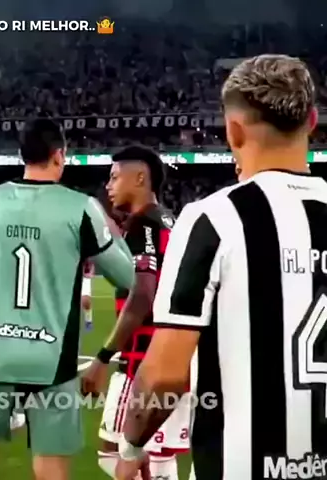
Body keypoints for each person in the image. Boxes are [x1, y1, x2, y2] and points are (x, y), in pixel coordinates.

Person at [115, 54, 327, 480]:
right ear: (312, 121)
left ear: (233, 131)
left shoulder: (212, 218)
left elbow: (164, 376)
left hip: (236, 466)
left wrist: (131, 445)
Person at [0, 118, 135, 480]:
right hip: (52, 359)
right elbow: (128, 277)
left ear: (21, 154)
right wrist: (111, 231)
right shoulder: (81, 207)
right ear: (59, 155)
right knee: (50, 468)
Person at [81, 145, 188, 480]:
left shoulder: (143, 225)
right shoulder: (169, 219)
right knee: (152, 457)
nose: (108, 185)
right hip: (172, 358)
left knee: (115, 455)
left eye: (115, 177)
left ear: (140, 178)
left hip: (143, 362)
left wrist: (102, 357)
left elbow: (142, 295)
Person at [81, 261, 94, 331]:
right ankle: (88, 323)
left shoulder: (87, 273)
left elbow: (91, 273)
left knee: (87, 307)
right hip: (85, 291)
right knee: (87, 307)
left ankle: (88, 323)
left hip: (86, 290)